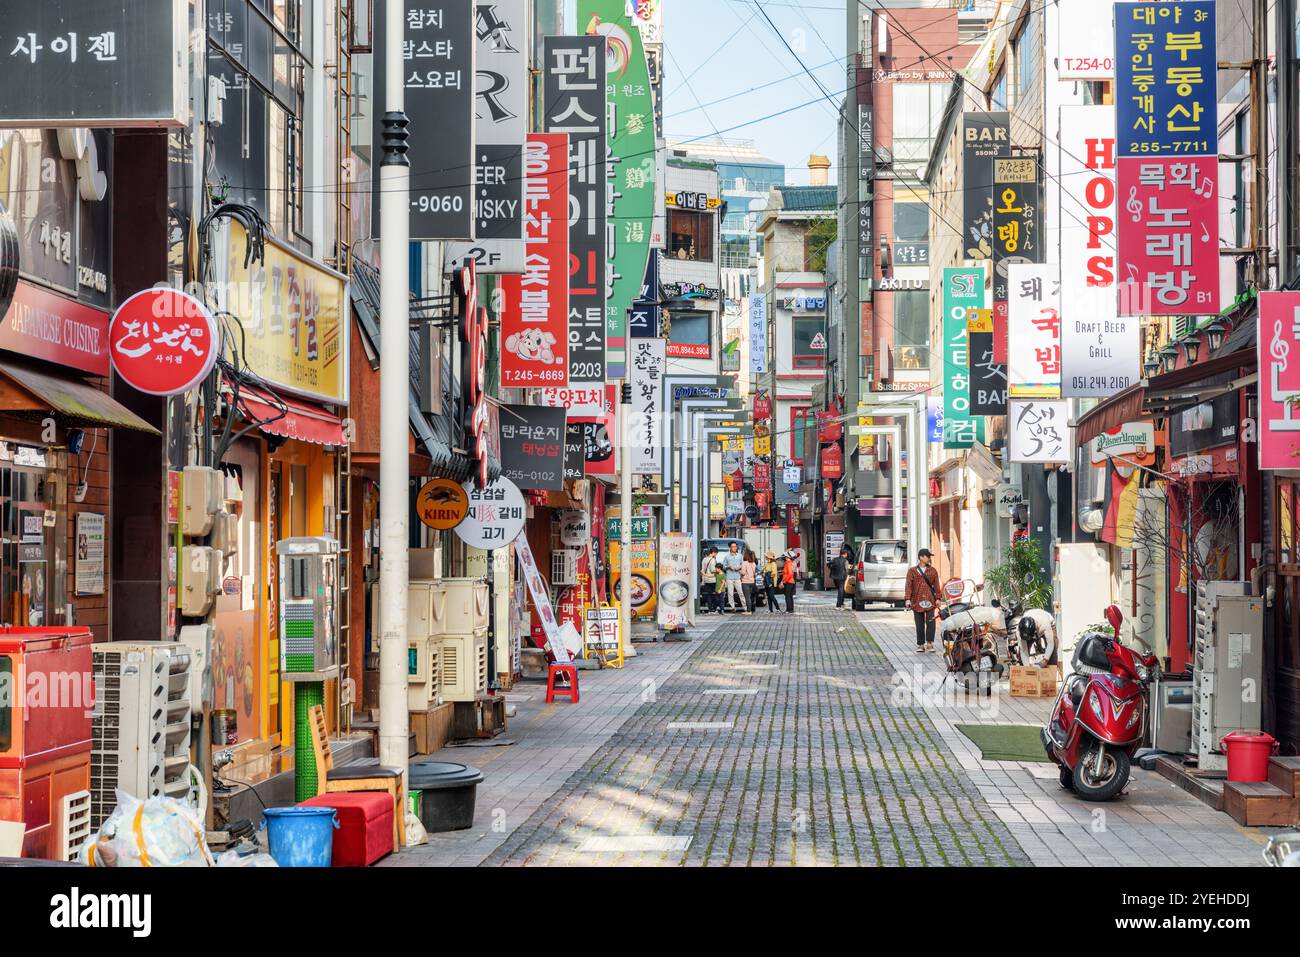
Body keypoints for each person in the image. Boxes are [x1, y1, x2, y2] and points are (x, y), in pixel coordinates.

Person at [903, 547, 943, 653]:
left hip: (930, 600)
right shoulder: (912, 571)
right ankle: (920, 644)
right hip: (916, 600)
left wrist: (938, 598)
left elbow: (937, 586)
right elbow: (908, 586)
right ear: (921, 557)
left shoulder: (933, 571)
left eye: (930, 556)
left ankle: (930, 643)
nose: (929, 558)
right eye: (927, 556)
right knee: (919, 623)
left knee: (931, 622)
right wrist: (907, 599)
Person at [721, 542, 745, 612]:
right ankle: (732, 607)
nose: (734, 548)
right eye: (733, 546)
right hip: (729, 577)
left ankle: (745, 606)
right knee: (730, 593)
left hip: (737, 576)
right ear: (730, 548)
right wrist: (729, 567)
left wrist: (738, 567)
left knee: (741, 592)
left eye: (735, 546)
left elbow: (743, 564)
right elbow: (724, 567)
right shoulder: (727, 557)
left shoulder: (740, 556)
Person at [700, 547, 718, 614]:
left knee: (709, 595)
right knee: (714, 595)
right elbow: (713, 570)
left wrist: (703, 580)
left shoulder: (704, 559)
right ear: (713, 552)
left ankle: (710, 609)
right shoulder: (713, 560)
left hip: (706, 579)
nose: (716, 555)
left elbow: (702, 570)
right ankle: (714, 609)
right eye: (716, 553)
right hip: (712, 579)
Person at [781, 548, 798, 613]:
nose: (784, 557)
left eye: (785, 556)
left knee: (787, 596)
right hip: (791, 581)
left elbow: (790, 574)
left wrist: (783, 581)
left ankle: (788, 610)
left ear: (787, 557)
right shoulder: (790, 563)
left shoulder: (788, 563)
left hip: (788, 582)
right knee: (790, 596)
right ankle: (791, 609)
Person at [763, 550, 780, 614]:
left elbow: (774, 573)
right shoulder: (767, 563)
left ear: (769, 557)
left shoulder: (773, 564)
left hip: (771, 582)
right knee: (768, 596)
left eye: (766, 556)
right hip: (767, 582)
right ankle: (770, 610)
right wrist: (765, 572)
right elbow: (764, 569)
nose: (765, 557)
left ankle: (778, 608)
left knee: (772, 596)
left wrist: (767, 574)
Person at [741, 549, 757, 614]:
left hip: (745, 582)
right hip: (752, 582)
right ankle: (750, 610)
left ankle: (748, 611)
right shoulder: (754, 563)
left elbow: (743, 572)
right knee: (749, 597)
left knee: (747, 597)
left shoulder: (744, 563)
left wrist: (739, 571)